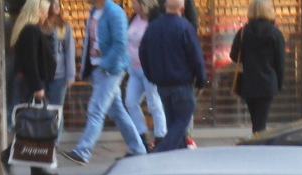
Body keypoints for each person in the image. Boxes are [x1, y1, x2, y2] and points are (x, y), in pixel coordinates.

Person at [61, 0, 147, 165]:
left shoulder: (115, 12)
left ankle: (83, 151)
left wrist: (105, 66)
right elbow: (90, 42)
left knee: (96, 110)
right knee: (117, 112)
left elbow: (120, 44)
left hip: (111, 70)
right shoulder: (94, 12)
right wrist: (87, 68)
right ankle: (138, 148)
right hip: (98, 69)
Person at [138, 0, 204, 152]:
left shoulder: (153, 27)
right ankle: (162, 152)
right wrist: (200, 80)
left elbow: (143, 52)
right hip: (182, 83)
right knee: (182, 120)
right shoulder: (185, 26)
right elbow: (195, 56)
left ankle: (177, 155)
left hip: (162, 84)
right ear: (182, 8)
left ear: (165, 7)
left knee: (173, 121)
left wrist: (151, 75)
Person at [8, 0, 59, 175]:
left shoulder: (28, 29)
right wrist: (37, 86)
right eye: (44, 12)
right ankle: (9, 155)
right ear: (36, 12)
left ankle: (36, 167)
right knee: (33, 123)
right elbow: (31, 61)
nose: (46, 15)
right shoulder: (31, 30)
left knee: (33, 122)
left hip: (31, 82)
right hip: (32, 84)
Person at [229, 0, 284, 135]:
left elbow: (233, 56)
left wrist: (248, 60)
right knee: (260, 121)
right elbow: (280, 62)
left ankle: (257, 142)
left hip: (249, 83)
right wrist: (278, 84)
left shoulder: (243, 32)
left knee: (256, 119)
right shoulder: (275, 33)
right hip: (267, 83)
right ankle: (259, 147)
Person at [125, 0, 165, 152]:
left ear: (144, 4)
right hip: (134, 68)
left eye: (135, 2)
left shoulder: (155, 20)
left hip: (149, 68)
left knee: (153, 102)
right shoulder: (133, 18)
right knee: (130, 102)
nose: (132, 6)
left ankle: (161, 137)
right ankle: (141, 136)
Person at [45, 0, 74, 149]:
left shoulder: (65, 27)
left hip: (60, 74)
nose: (56, 7)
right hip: (43, 74)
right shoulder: (42, 24)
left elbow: (69, 52)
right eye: (53, 4)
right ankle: (44, 138)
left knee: (57, 109)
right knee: (44, 109)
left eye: (58, 4)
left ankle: (54, 141)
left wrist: (70, 76)